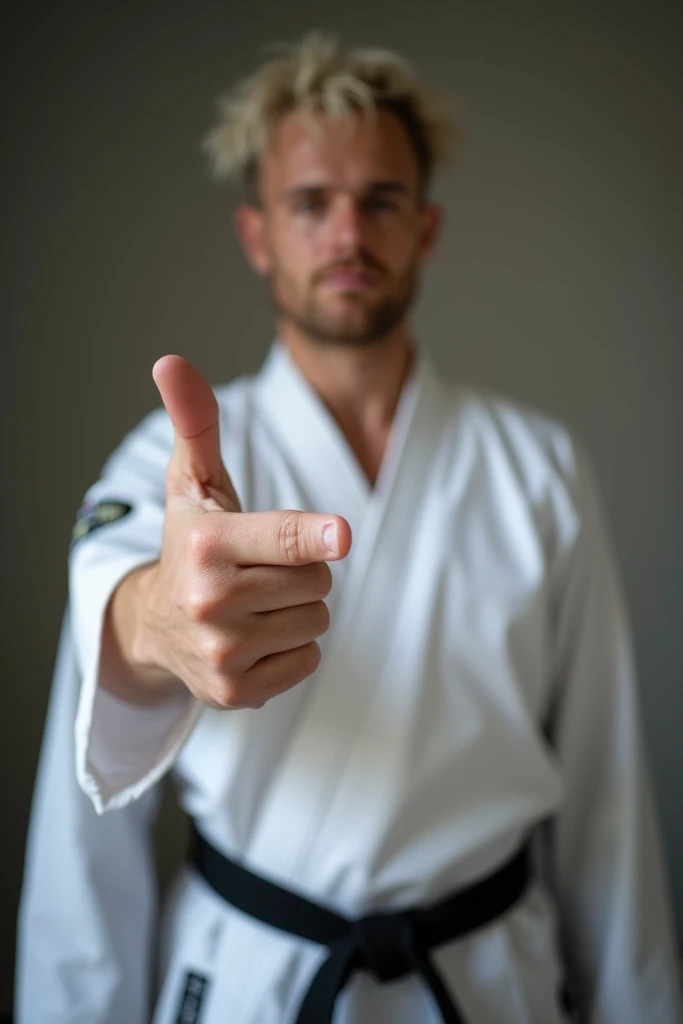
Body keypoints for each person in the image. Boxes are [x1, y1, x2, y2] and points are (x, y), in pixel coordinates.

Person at [16, 30, 682, 1024]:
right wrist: (152, 623)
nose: (346, 235)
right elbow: (99, 726)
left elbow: (605, 811)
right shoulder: (178, 462)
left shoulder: (535, 468)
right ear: (257, 235)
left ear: (426, 228)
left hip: (491, 981)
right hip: (254, 981)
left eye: (380, 201)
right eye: (309, 203)